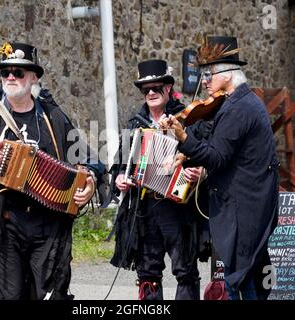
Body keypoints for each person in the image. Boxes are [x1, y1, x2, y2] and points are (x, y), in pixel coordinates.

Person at [0, 42, 105, 300]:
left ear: (33, 78)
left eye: (18, 72)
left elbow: (88, 158)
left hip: (48, 225)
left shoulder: (53, 117)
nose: (11, 77)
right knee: (8, 295)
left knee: (49, 294)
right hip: (5, 224)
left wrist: (88, 182)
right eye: (5, 71)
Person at [160, 36, 279, 300]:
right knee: (249, 279)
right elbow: (213, 138)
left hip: (244, 208)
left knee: (240, 281)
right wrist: (185, 153)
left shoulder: (238, 108)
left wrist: (183, 138)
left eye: (209, 73)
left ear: (227, 74)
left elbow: (215, 157)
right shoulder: (241, 102)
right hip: (251, 206)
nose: (204, 80)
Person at [108, 59, 211, 300]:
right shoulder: (136, 124)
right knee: (148, 272)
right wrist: (120, 178)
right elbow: (120, 164)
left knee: (185, 269)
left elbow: (208, 156)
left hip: (179, 208)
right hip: (146, 208)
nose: (152, 93)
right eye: (146, 90)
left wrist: (199, 173)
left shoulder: (189, 119)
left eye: (157, 87)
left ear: (168, 88)